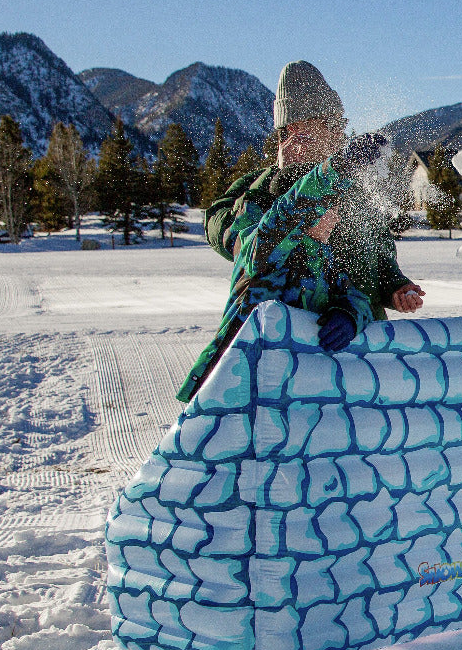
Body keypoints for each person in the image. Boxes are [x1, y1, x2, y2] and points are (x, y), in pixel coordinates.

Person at [205, 60, 426, 321]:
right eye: (330, 124)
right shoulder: (255, 187)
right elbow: (242, 246)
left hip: (365, 334)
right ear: (295, 130)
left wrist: (394, 287)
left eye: (340, 123)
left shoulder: (354, 188)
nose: (340, 132)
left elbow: (378, 251)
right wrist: (285, 182)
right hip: (294, 339)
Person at [176, 153, 375, 403]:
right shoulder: (264, 249)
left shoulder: (323, 257)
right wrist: (334, 170)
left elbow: (357, 298)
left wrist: (348, 313)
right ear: (309, 213)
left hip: (288, 387)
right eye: (330, 209)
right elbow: (287, 213)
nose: (335, 218)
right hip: (235, 386)